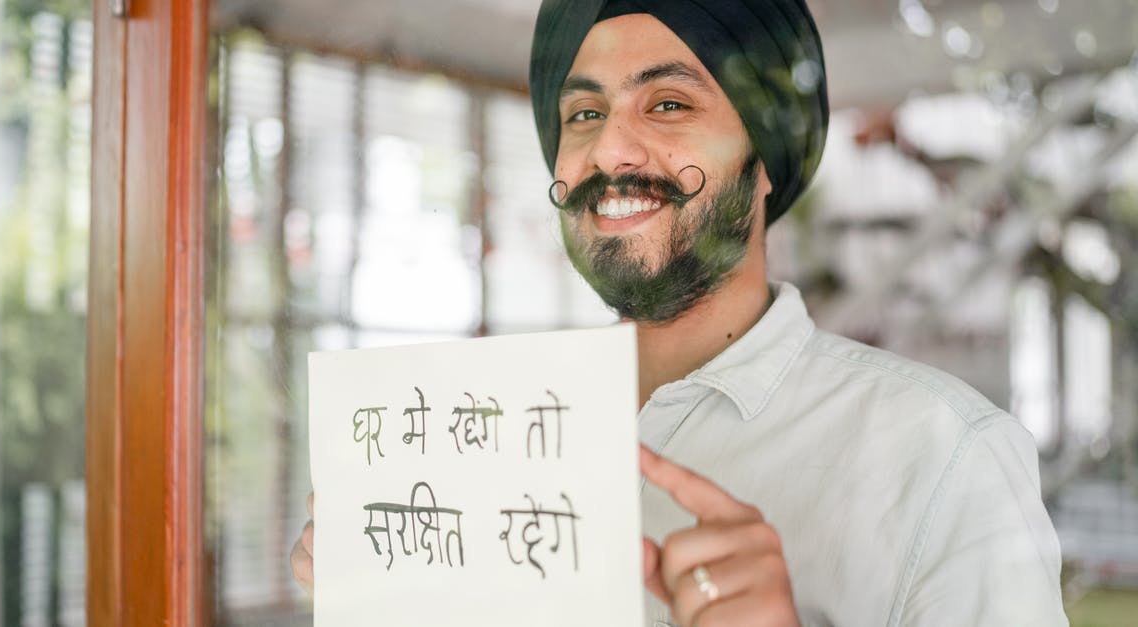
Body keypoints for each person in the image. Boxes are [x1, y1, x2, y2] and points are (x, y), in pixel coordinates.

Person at [293, 1, 1068, 625]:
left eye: (666, 103)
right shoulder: (479, 450)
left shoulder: (945, 459)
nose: (610, 152)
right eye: (585, 115)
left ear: (764, 160)